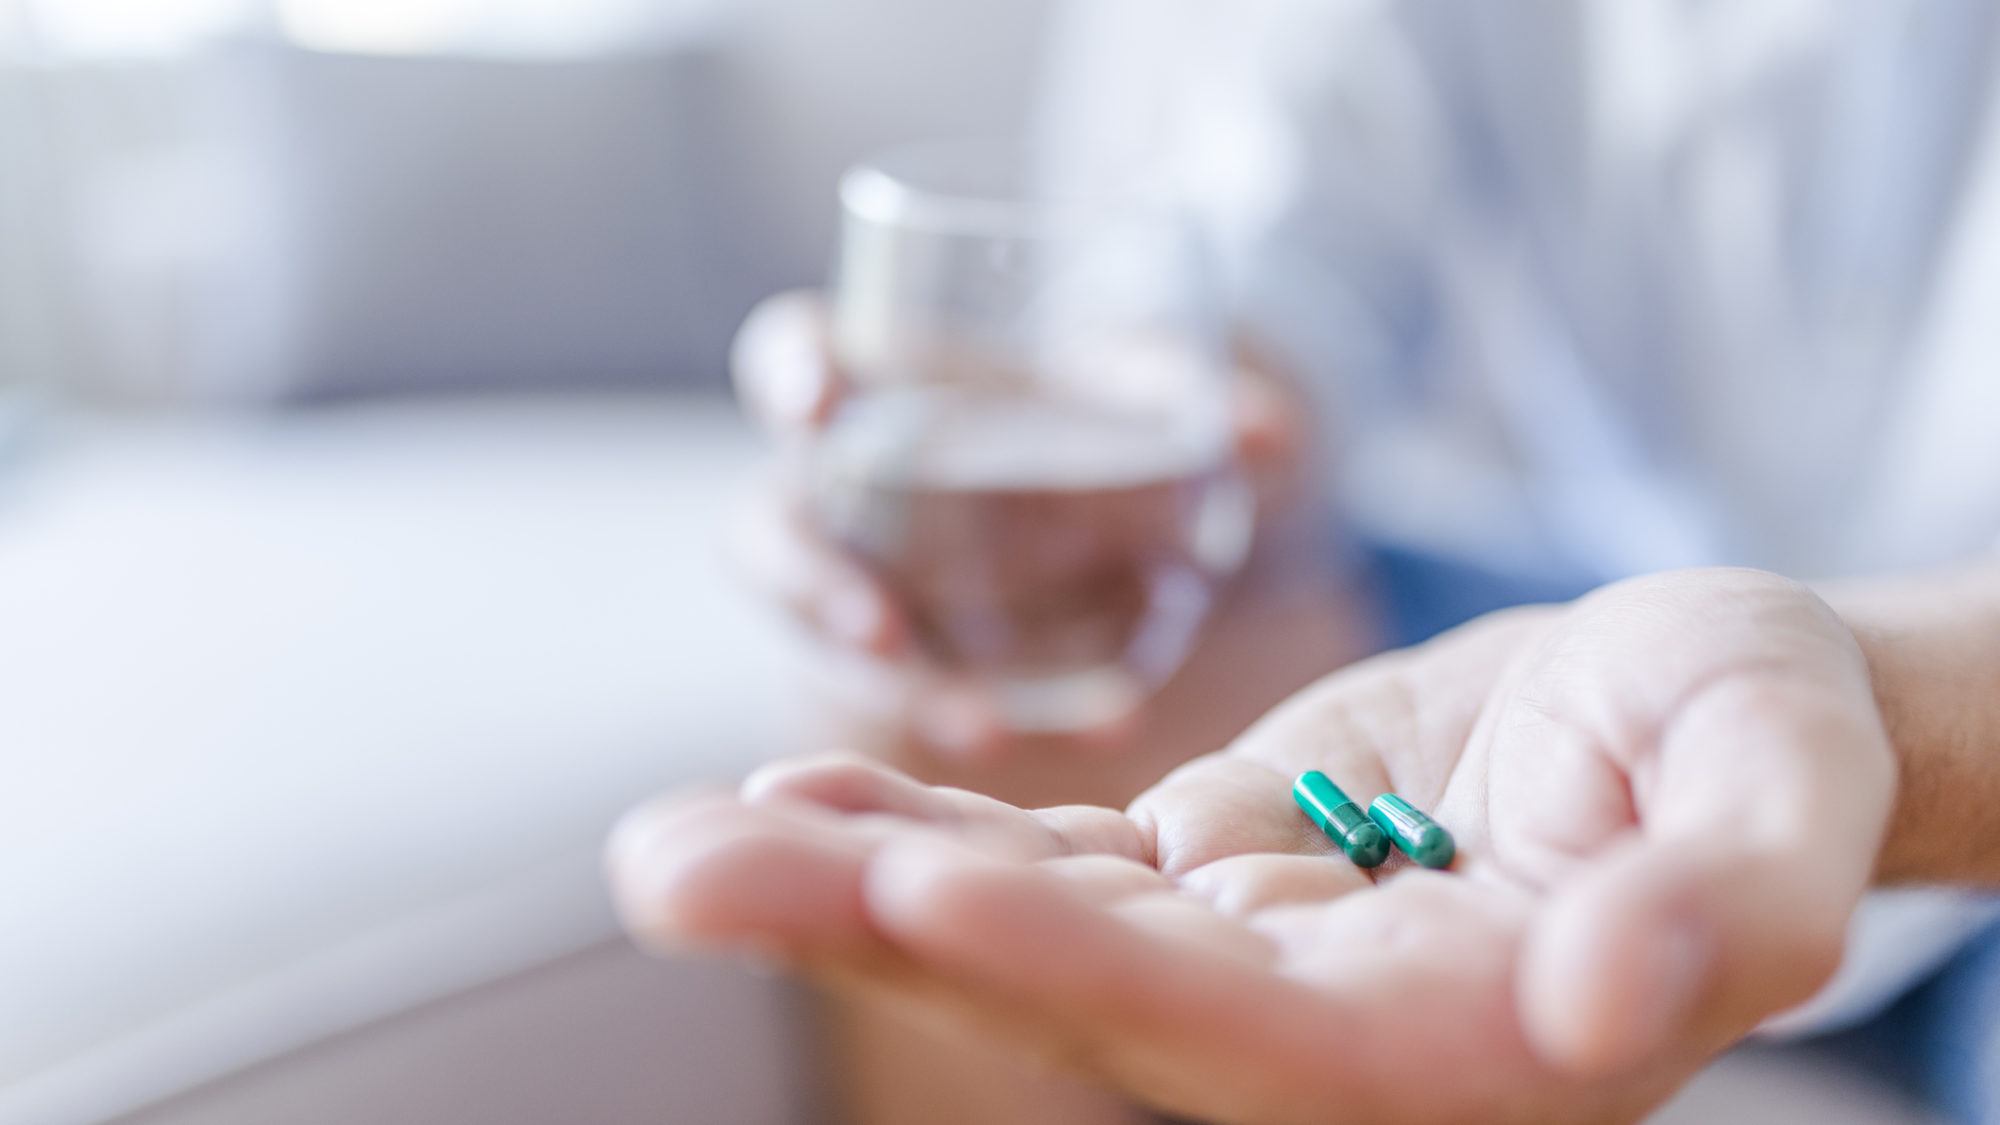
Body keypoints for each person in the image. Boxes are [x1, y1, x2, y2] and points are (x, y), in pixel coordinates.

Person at [614, 3, 2000, 1120]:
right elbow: (1282, 243)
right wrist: (1132, 446)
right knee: (964, 668)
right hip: (1589, 594)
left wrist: (1917, 709)